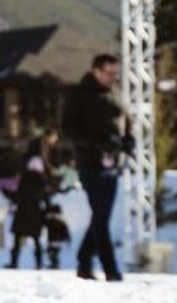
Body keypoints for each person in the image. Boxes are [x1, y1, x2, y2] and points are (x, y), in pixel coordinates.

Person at [62, 53, 132, 281]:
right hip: (90, 164)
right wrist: (98, 143)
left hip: (113, 164)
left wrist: (128, 140)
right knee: (101, 218)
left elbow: (126, 119)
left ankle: (84, 261)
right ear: (95, 71)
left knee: (101, 216)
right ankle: (110, 269)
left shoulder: (116, 92)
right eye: (109, 73)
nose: (113, 77)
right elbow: (69, 130)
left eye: (116, 73)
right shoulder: (79, 95)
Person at [6, 150, 48, 269]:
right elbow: (45, 197)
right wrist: (47, 210)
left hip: (23, 212)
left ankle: (14, 263)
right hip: (35, 213)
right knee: (36, 239)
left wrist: (8, 195)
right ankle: (39, 264)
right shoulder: (42, 180)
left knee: (17, 239)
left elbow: (18, 194)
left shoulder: (24, 178)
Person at [44, 202, 71, 269]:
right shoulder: (61, 221)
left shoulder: (51, 220)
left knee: (52, 252)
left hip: (53, 240)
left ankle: (55, 264)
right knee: (53, 253)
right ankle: (55, 264)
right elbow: (66, 231)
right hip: (57, 240)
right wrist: (67, 239)